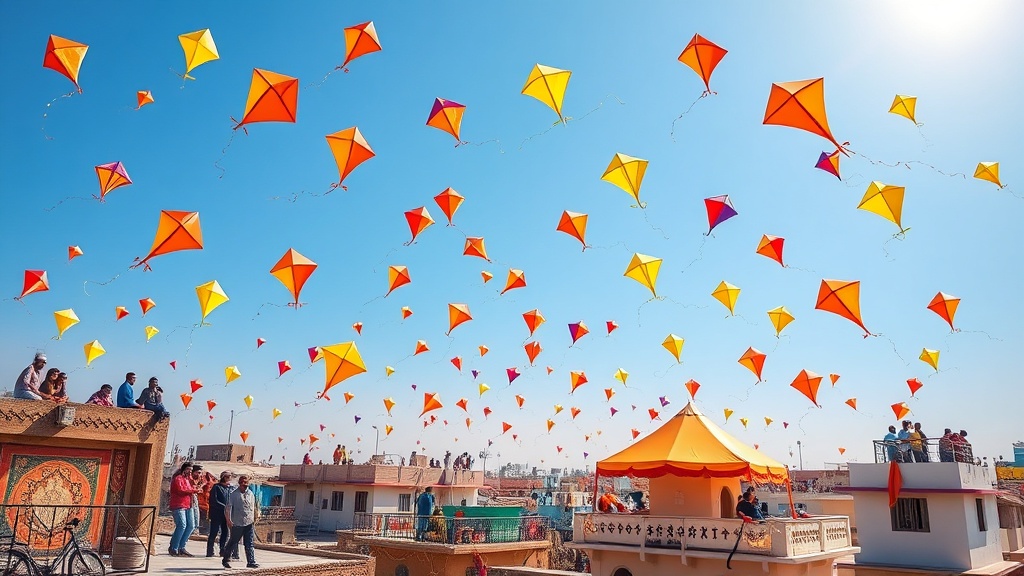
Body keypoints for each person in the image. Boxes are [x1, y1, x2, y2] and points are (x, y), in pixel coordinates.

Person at [222, 474, 259, 569]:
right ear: (239, 484)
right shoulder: (234, 494)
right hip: (237, 523)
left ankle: (251, 561)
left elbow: (253, 507)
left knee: (249, 543)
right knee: (233, 542)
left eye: (245, 483)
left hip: (248, 522)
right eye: (242, 483)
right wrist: (228, 520)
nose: (244, 485)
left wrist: (255, 517)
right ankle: (225, 559)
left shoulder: (250, 493)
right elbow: (228, 508)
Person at [169, 461, 202, 556]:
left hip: (188, 504)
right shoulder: (178, 478)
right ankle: (173, 547)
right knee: (182, 525)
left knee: (191, 526)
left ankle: (181, 547)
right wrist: (194, 490)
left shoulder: (187, 479)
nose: (189, 471)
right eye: (188, 469)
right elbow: (181, 490)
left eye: (191, 470)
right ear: (183, 468)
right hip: (179, 504)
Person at [207, 471, 234, 557]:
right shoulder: (216, 487)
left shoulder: (230, 488)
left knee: (225, 532)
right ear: (224, 477)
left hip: (226, 514)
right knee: (214, 532)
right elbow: (214, 500)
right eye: (228, 476)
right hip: (216, 513)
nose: (229, 478)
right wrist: (225, 506)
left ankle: (222, 549)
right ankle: (209, 551)